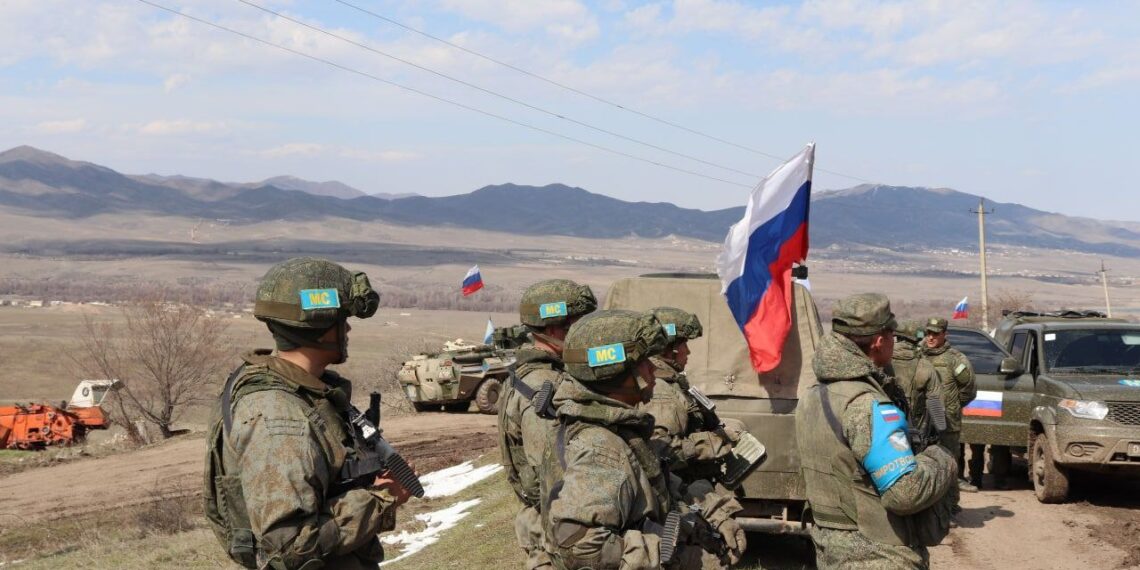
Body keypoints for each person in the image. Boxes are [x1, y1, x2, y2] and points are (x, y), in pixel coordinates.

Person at [204, 257, 413, 570]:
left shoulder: (303, 391)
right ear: (319, 327)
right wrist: (382, 499)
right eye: (342, 318)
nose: (349, 327)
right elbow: (290, 546)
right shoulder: (279, 418)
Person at [540, 310, 744, 569]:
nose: (652, 371)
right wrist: (675, 557)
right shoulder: (600, 448)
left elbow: (658, 482)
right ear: (615, 372)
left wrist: (715, 513)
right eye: (644, 363)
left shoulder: (616, 428)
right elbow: (578, 545)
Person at [797, 294, 956, 569]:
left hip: (831, 550)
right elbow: (905, 493)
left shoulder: (813, 395)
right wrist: (941, 458)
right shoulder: (867, 406)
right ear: (879, 341)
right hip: (880, 555)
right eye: (891, 334)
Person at [498, 279, 597, 570]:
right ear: (555, 330)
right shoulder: (544, 385)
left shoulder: (535, 375)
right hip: (556, 529)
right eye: (577, 326)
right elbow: (551, 471)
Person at [639, 307, 735, 482]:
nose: (688, 352)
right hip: (677, 491)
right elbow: (661, 451)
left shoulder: (672, 381)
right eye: (684, 344)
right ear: (671, 349)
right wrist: (712, 442)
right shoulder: (661, 390)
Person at [923, 317, 979, 504]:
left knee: (949, 464)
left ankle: (951, 506)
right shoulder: (918, 356)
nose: (930, 338)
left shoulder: (955, 359)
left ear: (944, 334)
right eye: (928, 333)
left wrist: (952, 405)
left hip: (947, 421)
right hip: (922, 421)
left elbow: (969, 389)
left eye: (935, 334)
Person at [888, 321, 945, 446]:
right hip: (914, 434)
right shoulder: (925, 366)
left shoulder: (882, 362)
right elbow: (936, 403)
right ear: (916, 340)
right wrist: (938, 430)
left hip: (884, 429)